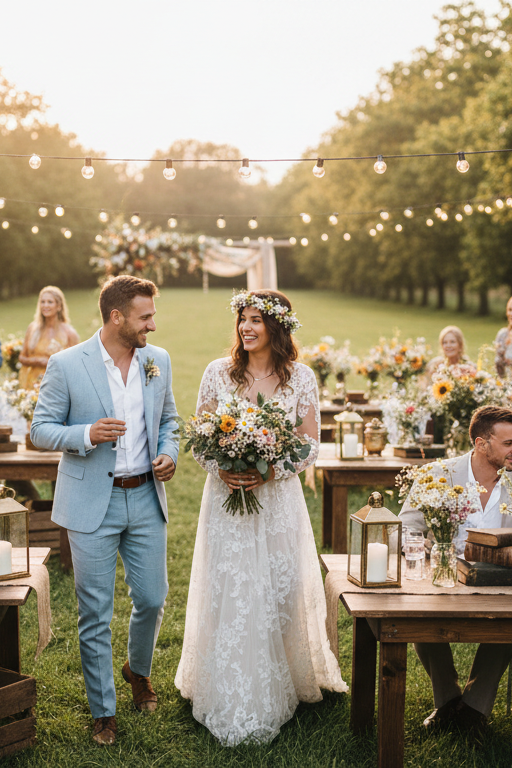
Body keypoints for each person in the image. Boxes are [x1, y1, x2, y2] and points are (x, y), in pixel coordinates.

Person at [175, 290, 347, 746]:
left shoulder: (301, 378)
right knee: (230, 585)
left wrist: (268, 470)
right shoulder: (217, 373)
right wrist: (227, 469)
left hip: (277, 502)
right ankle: (224, 681)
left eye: (256, 320)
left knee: (279, 583)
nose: (246, 328)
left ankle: (286, 676)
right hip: (226, 499)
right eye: (242, 320)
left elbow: (311, 443)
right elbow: (198, 439)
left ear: (278, 327)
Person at [29, 276, 179, 747]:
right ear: (117, 317)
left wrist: (169, 452)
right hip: (93, 499)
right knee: (94, 612)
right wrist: (86, 433)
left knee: (152, 599)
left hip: (146, 496)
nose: (152, 325)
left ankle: (138, 670)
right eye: (145, 317)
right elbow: (40, 430)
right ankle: (103, 710)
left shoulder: (158, 361)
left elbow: (169, 418)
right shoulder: (67, 364)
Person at [397, 406, 512, 734]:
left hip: (500, 581)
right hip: (444, 577)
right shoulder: (439, 473)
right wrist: (428, 550)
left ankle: (473, 708)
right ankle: (447, 700)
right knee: (419, 616)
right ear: (481, 444)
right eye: (508, 443)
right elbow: (404, 526)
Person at [18, 286, 80, 390]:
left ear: (59, 306)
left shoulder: (69, 334)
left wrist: (52, 363)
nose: (45, 305)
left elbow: (75, 366)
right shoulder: (32, 329)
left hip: (56, 385)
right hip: (30, 385)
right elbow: (22, 357)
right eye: (42, 302)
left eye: (50, 302)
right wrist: (37, 361)